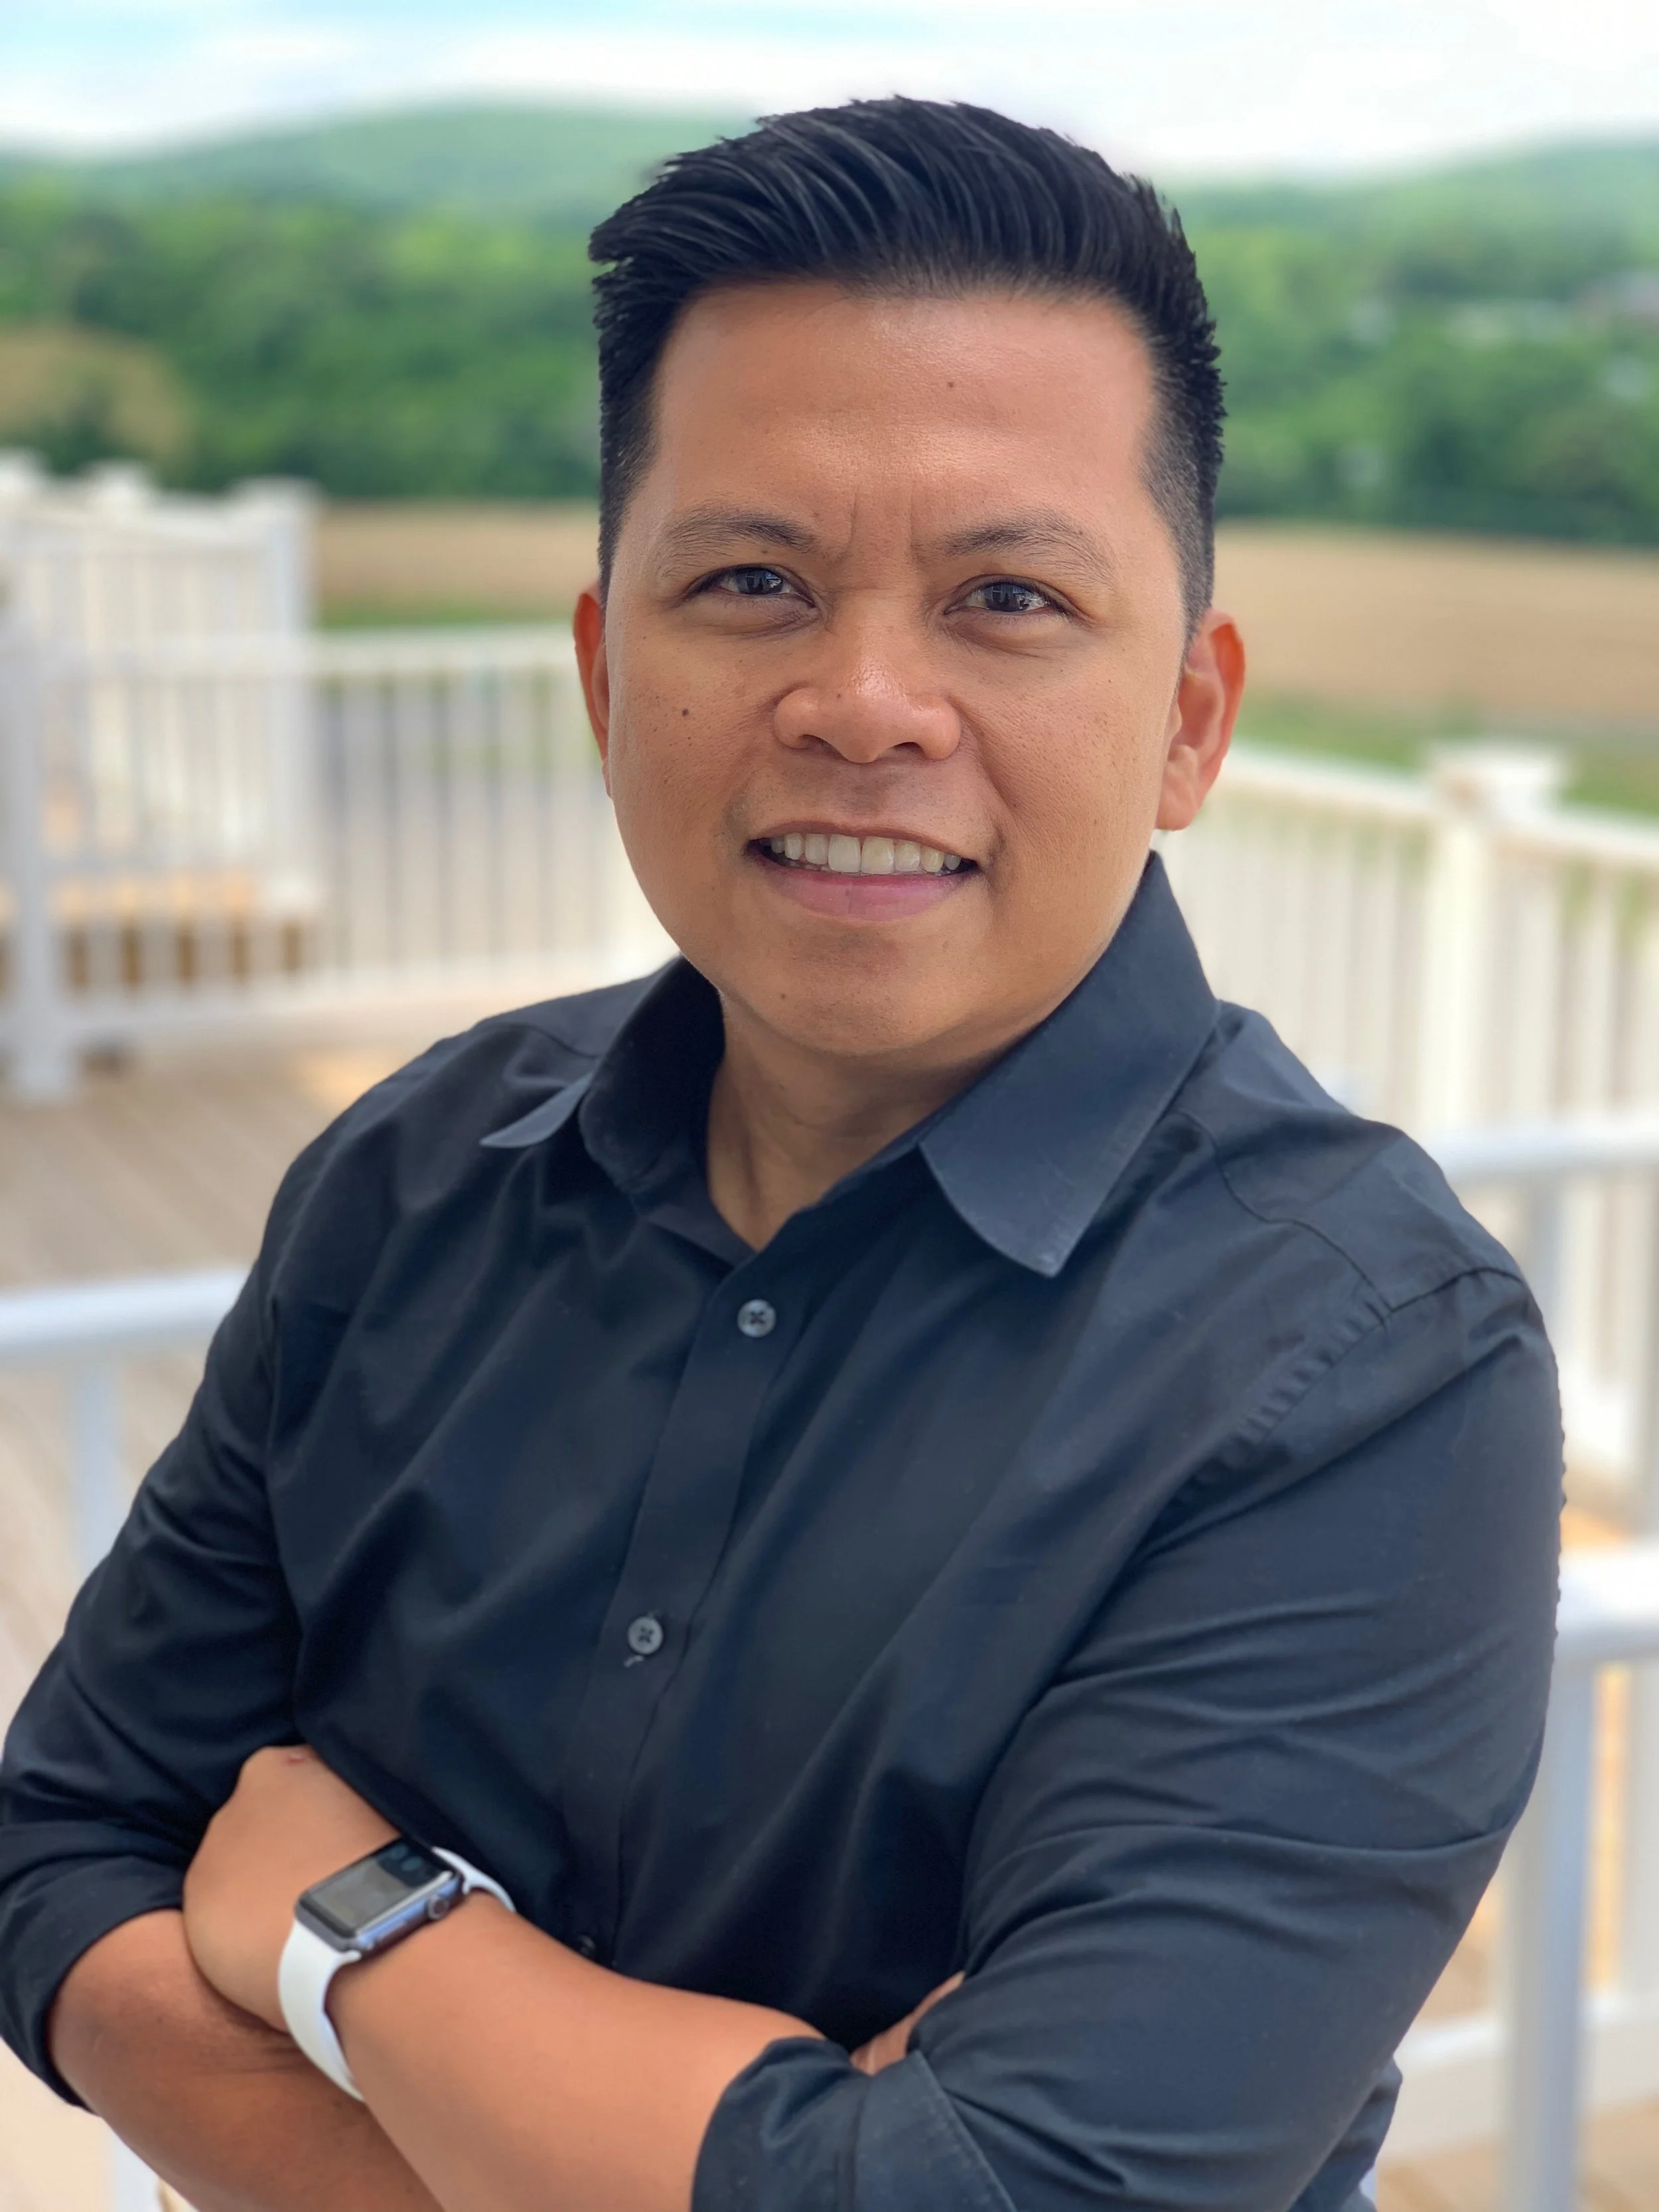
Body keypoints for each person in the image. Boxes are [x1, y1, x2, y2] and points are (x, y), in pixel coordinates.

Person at [0, 98, 1559, 2212]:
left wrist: (348, 1924)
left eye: (1006, 596)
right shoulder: (412, 1180)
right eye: (751, 580)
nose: (862, 701)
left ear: (1188, 720)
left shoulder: (1366, 1360)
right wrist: (747, 2139)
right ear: (602, 664)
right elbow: (62, 1844)